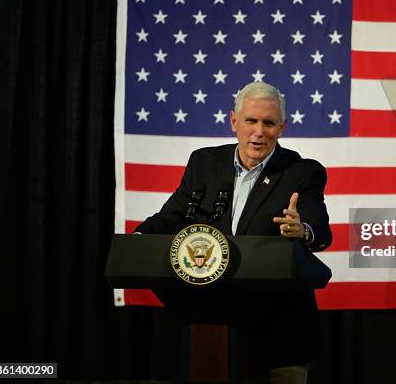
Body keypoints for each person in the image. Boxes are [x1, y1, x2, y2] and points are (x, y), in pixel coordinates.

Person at [135, 81, 332, 383]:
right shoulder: (204, 162)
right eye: (251, 121)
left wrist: (301, 230)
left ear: (283, 127)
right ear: (234, 122)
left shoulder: (302, 171)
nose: (259, 131)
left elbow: (319, 230)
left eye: (269, 123)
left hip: (280, 332)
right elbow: (172, 215)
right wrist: (137, 242)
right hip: (212, 320)